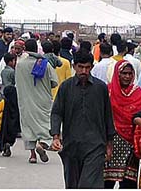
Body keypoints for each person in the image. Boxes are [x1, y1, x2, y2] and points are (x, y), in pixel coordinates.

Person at [50, 51, 114, 188]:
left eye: (87, 67)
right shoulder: (66, 87)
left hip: (95, 146)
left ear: (91, 67)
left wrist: (109, 144)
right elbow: (56, 112)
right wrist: (55, 136)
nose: (84, 71)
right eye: (80, 67)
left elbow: (107, 115)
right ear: (74, 66)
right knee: (72, 185)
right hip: (71, 145)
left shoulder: (100, 87)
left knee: (88, 184)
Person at [104, 61, 141, 188]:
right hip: (111, 142)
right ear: (117, 74)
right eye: (124, 73)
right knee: (107, 182)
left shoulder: (138, 93)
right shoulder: (108, 92)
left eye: (130, 74)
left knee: (129, 182)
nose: (127, 76)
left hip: (131, 144)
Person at [16, 38, 58, 164]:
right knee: (45, 124)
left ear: (25, 49)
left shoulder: (20, 64)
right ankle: (42, 144)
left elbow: (17, 83)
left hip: (26, 100)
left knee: (28, 127)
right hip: (43, 100)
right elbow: (54, 82)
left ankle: (32, 155)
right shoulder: (45, 63)